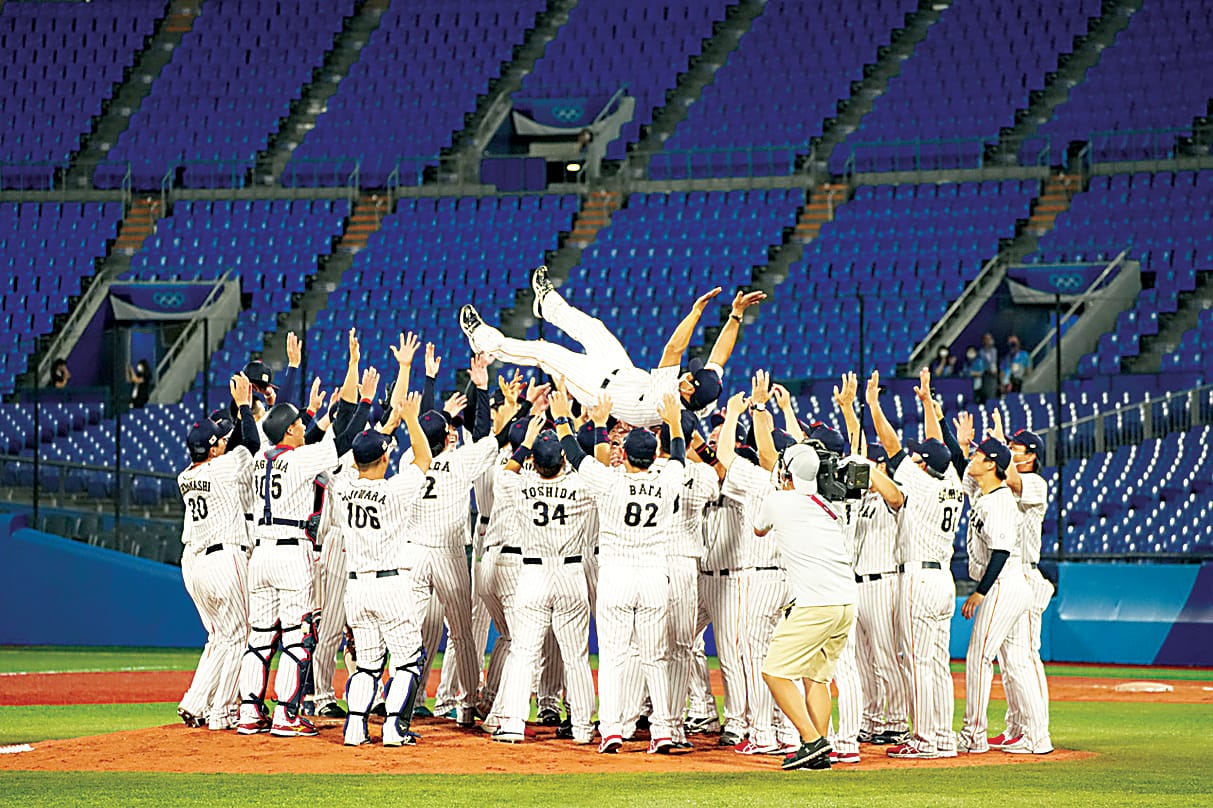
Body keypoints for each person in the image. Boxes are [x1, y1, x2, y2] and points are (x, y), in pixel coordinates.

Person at [234, 364, 375, 737]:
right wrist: (363, 404)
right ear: (288, 432)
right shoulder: (298, 458)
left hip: (260, 554)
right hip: (290, 552)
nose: (301, 429)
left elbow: (311, 436)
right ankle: (285, 715)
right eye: (297, 425)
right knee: (298, 635)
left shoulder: (258, 460)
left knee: (260, 636)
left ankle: (249, 711)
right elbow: (342, 442)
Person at [550, 383, 687, 755]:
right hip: (655, 577)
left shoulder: (609, 482)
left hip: (617, 576)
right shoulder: (668, 480)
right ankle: (661, 731)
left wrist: (565, 418)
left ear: (621, 453)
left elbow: (575, 457)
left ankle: (611, 730)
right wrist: (674, 423)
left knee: (613, 655)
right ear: (655, 454)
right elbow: (679, 458)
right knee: (654, 656)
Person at [459, 265, 765, 426]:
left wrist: (697, 311)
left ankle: (483, 340)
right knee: (594, 328)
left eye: (690, 377)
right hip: (622, 373)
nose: (688, 373)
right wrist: (735, 315)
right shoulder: (704, 393)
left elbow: (673, 349)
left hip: (599, 391)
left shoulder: (668, 399)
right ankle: (547, 304)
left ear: (687, 390)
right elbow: (719, 359)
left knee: (545, 352)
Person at [864, 369, 963, 760]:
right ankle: (942, 736)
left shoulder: (919, 484)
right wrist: (926, 404)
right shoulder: (950, 480)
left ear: (922, 465)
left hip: (919, 580)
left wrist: (873, 405)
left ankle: (923, 741)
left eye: (917, 456)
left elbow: (890, 445)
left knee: (921, 662)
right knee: (938, 664)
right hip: (944, 580)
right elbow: (938, 446)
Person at [333, 392, 432, 747]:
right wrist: (410, 419)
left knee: (367, 666)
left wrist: (382, 428)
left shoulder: (342, 488)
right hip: (391, 585)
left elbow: (347, 457)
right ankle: (393, 728)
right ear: (386, 458)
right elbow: (423, 457)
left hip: (356, 588)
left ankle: (355, 728)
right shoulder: (394, 491)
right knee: (407, 660)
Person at [753, 441, 857, 771]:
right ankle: (818, 751)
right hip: (845, 602)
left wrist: (777, 482)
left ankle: (812, 741)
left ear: (787, 471)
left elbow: (758, 529)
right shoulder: (829, 504)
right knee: (817, 678)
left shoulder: (778, 501)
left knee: (775, 671)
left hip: (816, 603)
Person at [954, 436, 1050, 755]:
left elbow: (1001, 551)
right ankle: (1037, 737)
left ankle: (973, 734)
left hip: (1004, 583)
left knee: (979, 657)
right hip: (1012, 584)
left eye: (978, 456)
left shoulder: (999, 501)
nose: (972, 459)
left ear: (992, 464)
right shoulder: (988, 496)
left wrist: (979, 593)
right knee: (1018, 664)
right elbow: (956, 461)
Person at [176, 374, 260, 731]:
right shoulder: (224, 466)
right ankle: (221, 711)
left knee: (220, 636)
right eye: (220, 442)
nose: (226, 444)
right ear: (211, 449)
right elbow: (251, 443)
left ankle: (196, 701)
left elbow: (238, 445)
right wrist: (243, 405)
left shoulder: (184, 476)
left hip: (195, 562)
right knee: (239, 634)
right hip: (225, 558)